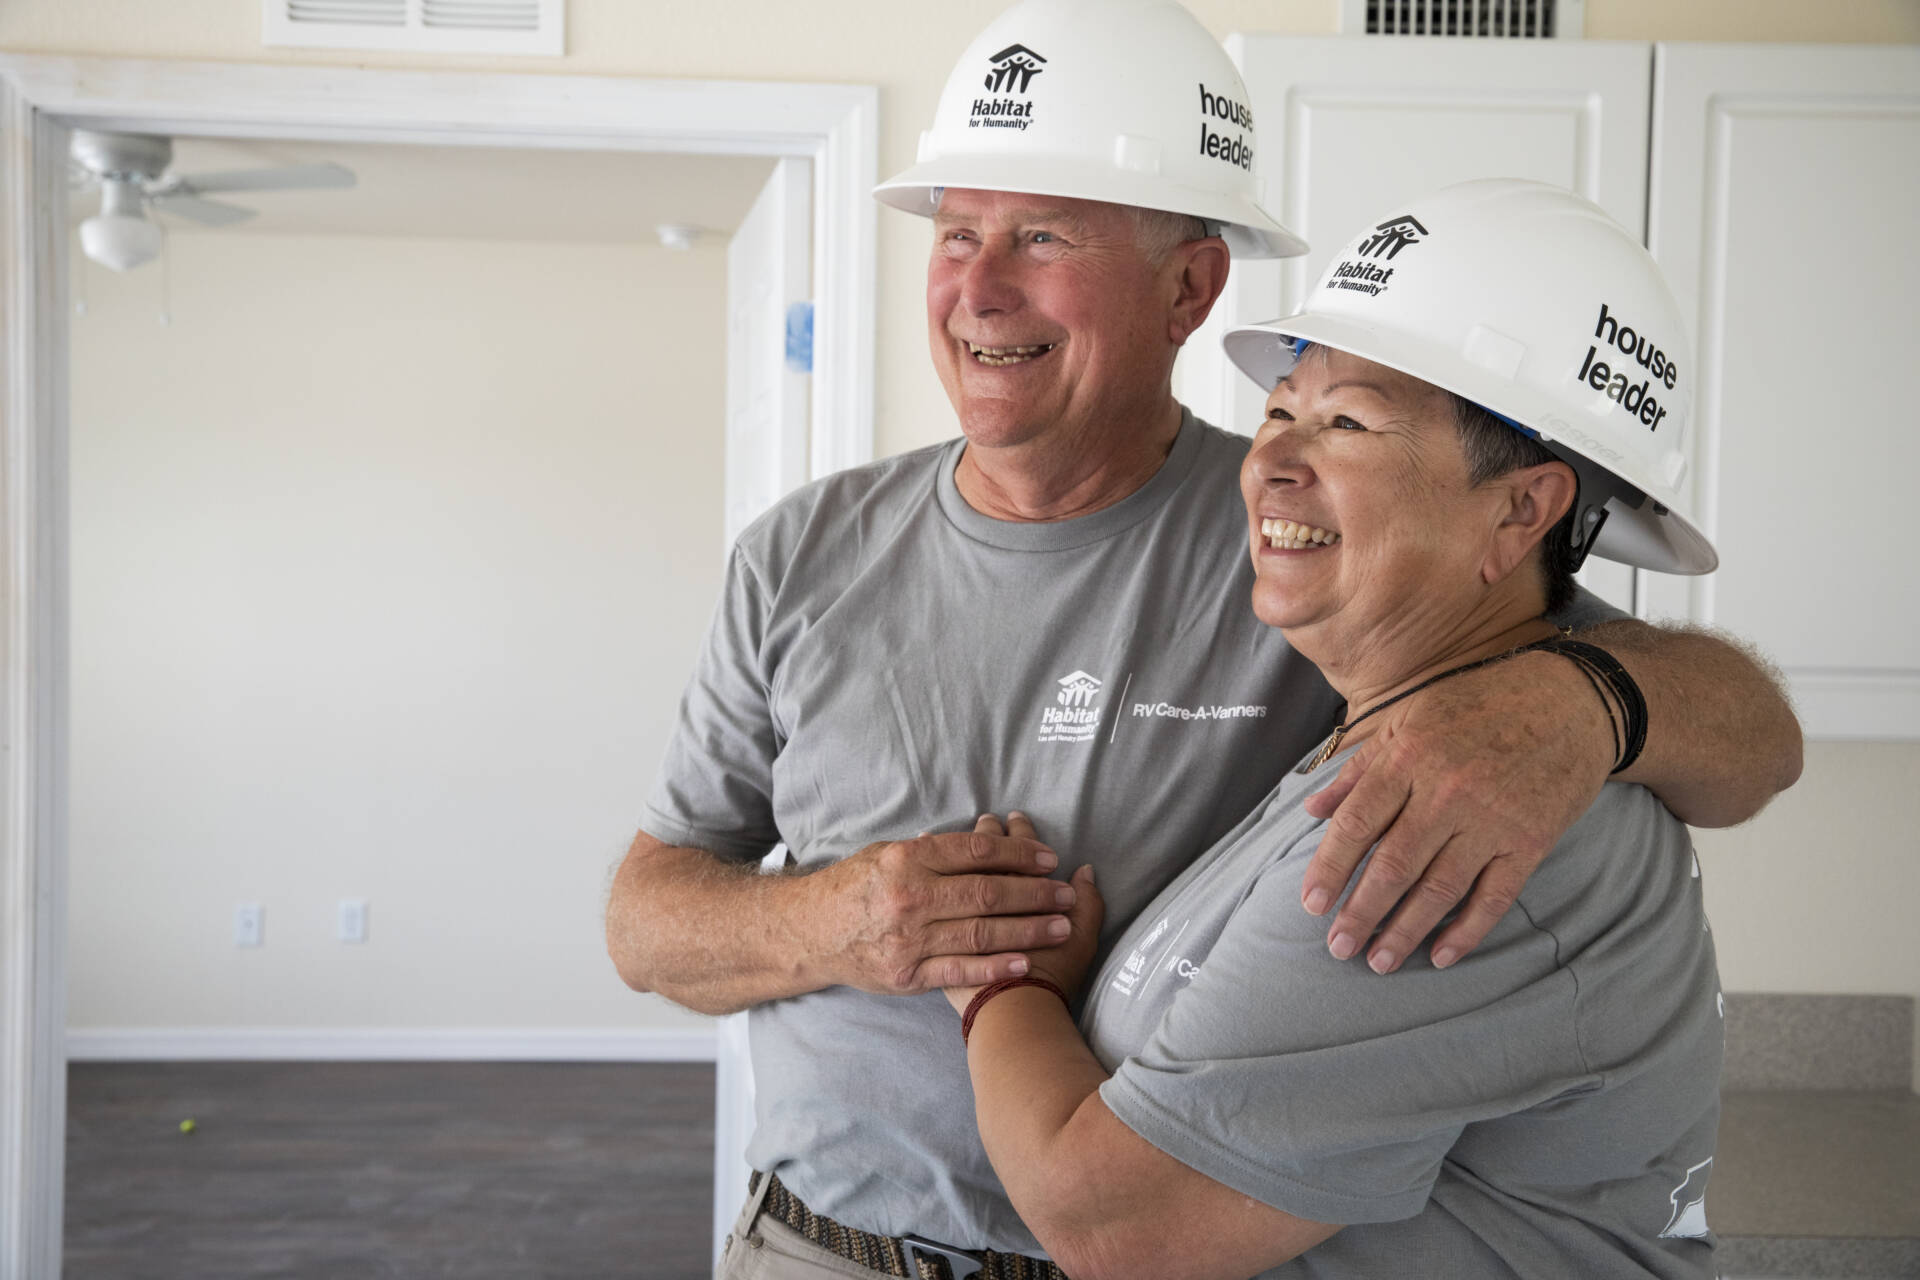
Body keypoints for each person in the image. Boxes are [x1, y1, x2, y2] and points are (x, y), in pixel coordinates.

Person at [603, 1, 1799, 1274]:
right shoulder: (802, 555)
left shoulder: (1331, 556)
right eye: (958, 234)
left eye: (1044, 234)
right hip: (816, 1245)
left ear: (1190, 286)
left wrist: (1581, 707)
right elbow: (645, 916)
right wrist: (845, 921)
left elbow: (1752, 737)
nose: (980, 287)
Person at [944, 178, 1734, 1280]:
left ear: (1521, 511)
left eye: (1349, 420)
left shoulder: (1456, 822)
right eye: (1281, 409)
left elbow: (1117, 1221)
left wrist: (1002, 977)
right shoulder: (1385, 732)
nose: (1268, 459)